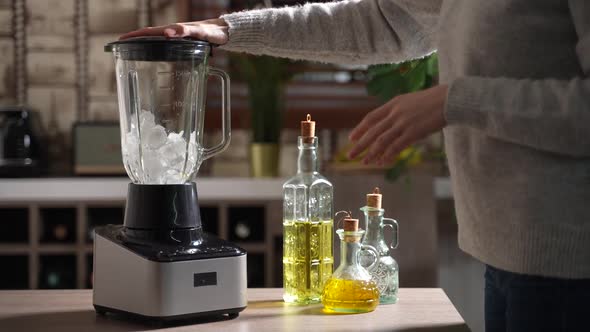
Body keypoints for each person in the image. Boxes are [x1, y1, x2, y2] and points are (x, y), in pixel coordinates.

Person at [121, 1, 590, 331]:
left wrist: (453, 100)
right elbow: (385, 21)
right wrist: (231, 31)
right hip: (505, 255)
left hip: (570, 264)